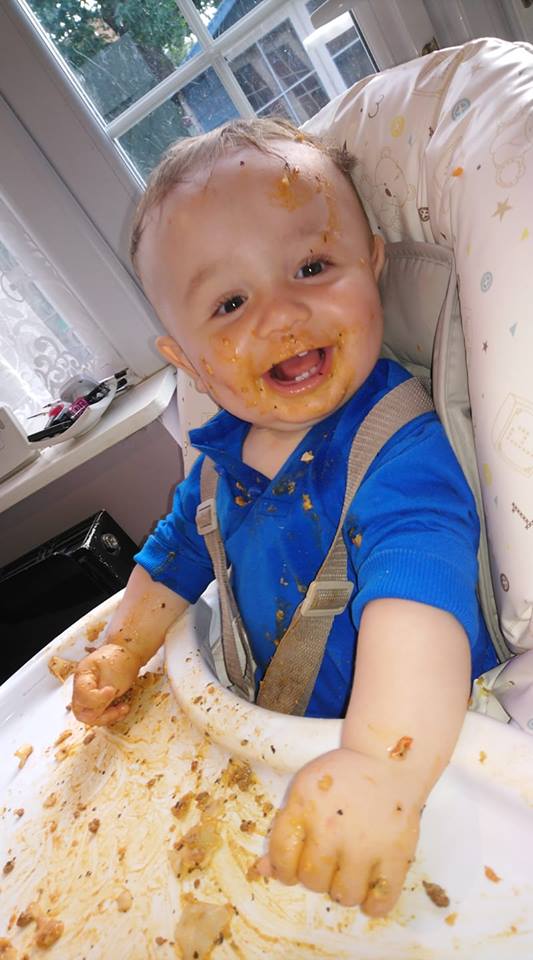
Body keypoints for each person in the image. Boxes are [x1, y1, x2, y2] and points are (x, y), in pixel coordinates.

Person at [72, 117, 497, 917]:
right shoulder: (219, 462)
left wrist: (382, 767)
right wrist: (121, 647)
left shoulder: (398, 455)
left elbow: (418, 606)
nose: (280, 314)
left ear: (372, 265)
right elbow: (174, 556)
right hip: (282, 751)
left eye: (311, 267)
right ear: (190, 362)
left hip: (421, 765)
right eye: (230, 302)